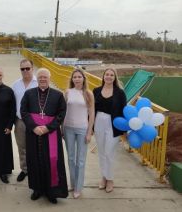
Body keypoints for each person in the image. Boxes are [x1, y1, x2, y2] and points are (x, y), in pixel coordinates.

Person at [21, 68, 68, 204]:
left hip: (51, 132)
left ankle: (51, 191)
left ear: (49, 78)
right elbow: (23, 111)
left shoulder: (58, 95)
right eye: (40, 77)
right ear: (37, 78)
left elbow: (61, 114)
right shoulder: (29, 94)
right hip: (33, 132)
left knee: (51, 160)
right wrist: (34, 127)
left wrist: (48, 127)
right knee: (34, 160)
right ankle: (37, 189)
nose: (42, 79)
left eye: (45, 77)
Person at [93, 68, 127, 193]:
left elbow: (124, 110)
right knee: (102, 152)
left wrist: (124, 130)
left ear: (115, 77)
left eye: (111, 75)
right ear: (103, 76)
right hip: (98, 122)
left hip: (113, 124)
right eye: (107, 74)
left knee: (109, 152)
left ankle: (110, 179)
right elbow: (92, 110)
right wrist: (90, 127)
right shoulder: (96, 91)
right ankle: (104, 177)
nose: (109, 77)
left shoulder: (120, 93)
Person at [63, 69, 95, 199]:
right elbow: (62, 111)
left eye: (79, 77)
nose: (77, 79)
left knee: (80, 160)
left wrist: (89, 132)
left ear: (83, 79)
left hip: (82, 129)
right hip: (68, 128)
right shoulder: (67, 92)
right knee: (70, 158)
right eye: (74, 77)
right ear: (72, 79)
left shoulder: (88, 94)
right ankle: (72, 183)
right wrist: (61, 128)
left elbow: (92, 114)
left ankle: (78, 187)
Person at [12, 59, 38, 182]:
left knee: (35, 146)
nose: (25, 71)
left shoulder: (39, 83)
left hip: (35, 121)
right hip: (20, 121)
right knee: (22, 146)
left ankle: (35, 169)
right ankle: (25, 169)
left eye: (28, 68)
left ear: (32, 68)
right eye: (23, 69)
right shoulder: (16, 85)